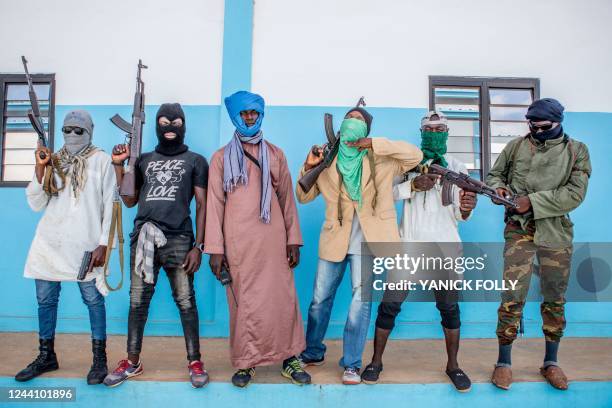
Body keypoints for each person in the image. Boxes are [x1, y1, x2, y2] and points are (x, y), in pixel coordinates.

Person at [296, 105, 423, 384]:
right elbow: (303, 197)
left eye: (359, 119)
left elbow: (416, 155)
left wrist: (375, 144)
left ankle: (352, 363)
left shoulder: (383, 158)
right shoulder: (327, 161)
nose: (352, 121)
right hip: (334, 239)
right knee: (319, 300)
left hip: (369, 242)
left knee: (360, 303)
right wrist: (310, 166)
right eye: (349, 118)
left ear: (366, 130)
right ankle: (313, 351)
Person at [360, 111, 477, 392]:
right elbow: (383, 195)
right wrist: (412, 185)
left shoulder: (459, 167)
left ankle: (453, 366)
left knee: (449, 309)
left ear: (447, 132)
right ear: (421, 132)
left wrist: (466, 208)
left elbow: (461, 215)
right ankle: (376, 362)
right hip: (408, 246)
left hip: (445, 248)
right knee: (389, 306)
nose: (434, 133)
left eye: (440, 129)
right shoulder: (408, 164)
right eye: (429, 129)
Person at [205, 91, 310, 387]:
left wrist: (293, 240)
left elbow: (287, 198)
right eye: (244, 114)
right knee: (243, 303)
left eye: (254, 113)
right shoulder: (220, 158)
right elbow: (214, 205)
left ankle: (289, 358)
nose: (249, 118)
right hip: (238, 244)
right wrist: (215, 249)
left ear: (261, 115)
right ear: (235, 117)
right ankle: (246, 363)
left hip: (273, 241)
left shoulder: (275, 154)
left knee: (282, 299)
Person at [487, 98, 591, 391]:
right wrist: (500, 189)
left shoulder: (577, 151)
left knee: (554, 297)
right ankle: (504, 363)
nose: (537, 131)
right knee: (511, 294)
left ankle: (551, 362)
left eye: (544, 127)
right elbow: (496, 175)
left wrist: (530, 201)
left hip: (555, 233)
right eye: (532, 126)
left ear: (559, 123)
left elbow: (574, 194)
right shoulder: (516, 147)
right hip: (518, 231)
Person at [104, 103, 210, 388]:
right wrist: (120, 165)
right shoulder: (143, 159)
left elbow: (202, 204)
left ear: (184, 124)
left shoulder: (196, 160)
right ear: (155, 126)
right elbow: (128, 200)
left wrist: (199, 246)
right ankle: (132, 362)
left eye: (176, 122)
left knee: (186, 302)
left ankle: (195, 362)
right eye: (164, 122)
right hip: (143, 238)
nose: (170, 127)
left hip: (180, 239)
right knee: (137, 302)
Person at [16, 110, 114, 385]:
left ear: (89, 132)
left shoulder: (102, 160)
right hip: (50, 242)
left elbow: (110, 205)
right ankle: (46, 355)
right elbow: (36, 203)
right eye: (67, 130)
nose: (72, 135)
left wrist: (104, 243)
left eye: (78, 130)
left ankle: (99, 360)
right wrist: (39, 169)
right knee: (46, 301)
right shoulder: (54, 160)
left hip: (86, 244)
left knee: (94, 301)